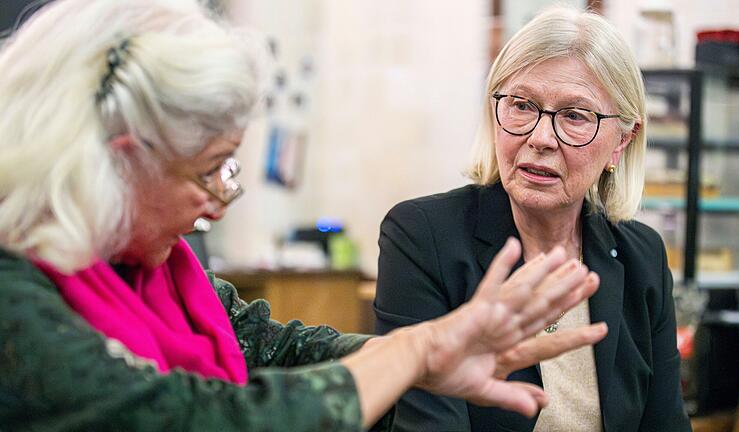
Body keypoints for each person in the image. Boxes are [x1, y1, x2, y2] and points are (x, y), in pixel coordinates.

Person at [0, 1, 610, 430]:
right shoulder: (16, 302)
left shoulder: (153, 273)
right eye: (209, 168)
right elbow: (193, 417)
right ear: (117, 164)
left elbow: (272, 346)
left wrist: (433, 356)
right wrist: (416, 353)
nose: (219, 200)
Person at [374, 6, 692, 432]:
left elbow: (666, 423)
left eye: (576, 116)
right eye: (522, 105)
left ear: (621, 142)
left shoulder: (642, 256)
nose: (541, 138)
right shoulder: (422, 237)